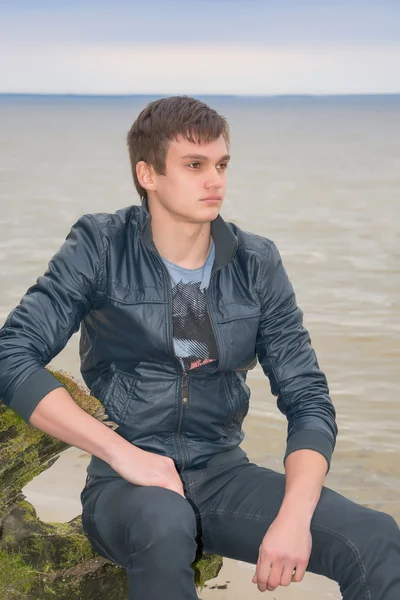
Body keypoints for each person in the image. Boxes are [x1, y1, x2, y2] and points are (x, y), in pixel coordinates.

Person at [0, 95, 399, 600]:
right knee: (164, 522)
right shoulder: (101, 246)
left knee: (376, 538)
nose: (216, 181)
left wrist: (294, 519)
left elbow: (308, 399)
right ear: (148, 174)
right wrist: (122, 455)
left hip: (222, 474)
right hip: (127, 486)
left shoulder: (254, 262)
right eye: (194, 165)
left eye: (221, 164)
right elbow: (12, 352)